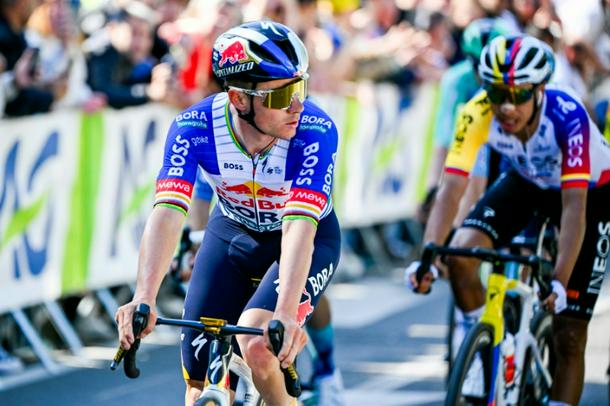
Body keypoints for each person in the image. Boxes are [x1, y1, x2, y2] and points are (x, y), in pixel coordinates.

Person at [115, 20, 341, 406]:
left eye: (299, 88)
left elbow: (299, 225)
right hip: (232, 234)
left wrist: (286, 312)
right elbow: (168, 211)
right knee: (198, 384)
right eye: (282, 95)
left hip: (307, 238)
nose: (297, 106)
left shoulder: (315, 131)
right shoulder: (194, 126)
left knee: (258, 344)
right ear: (239, 99)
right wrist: (144, 296)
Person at [406, 34, 610, 406]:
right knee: (461, 255)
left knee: (569, 334)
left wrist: (561, 280)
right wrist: (428, 256)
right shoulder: (476, 111)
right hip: (529, 180)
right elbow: (451, 188)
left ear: (540, 90)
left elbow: (574, 207)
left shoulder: (568, 115)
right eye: (498, 93)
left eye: (519, 95)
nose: (507, 107)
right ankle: (481, 349)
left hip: (591, 195)